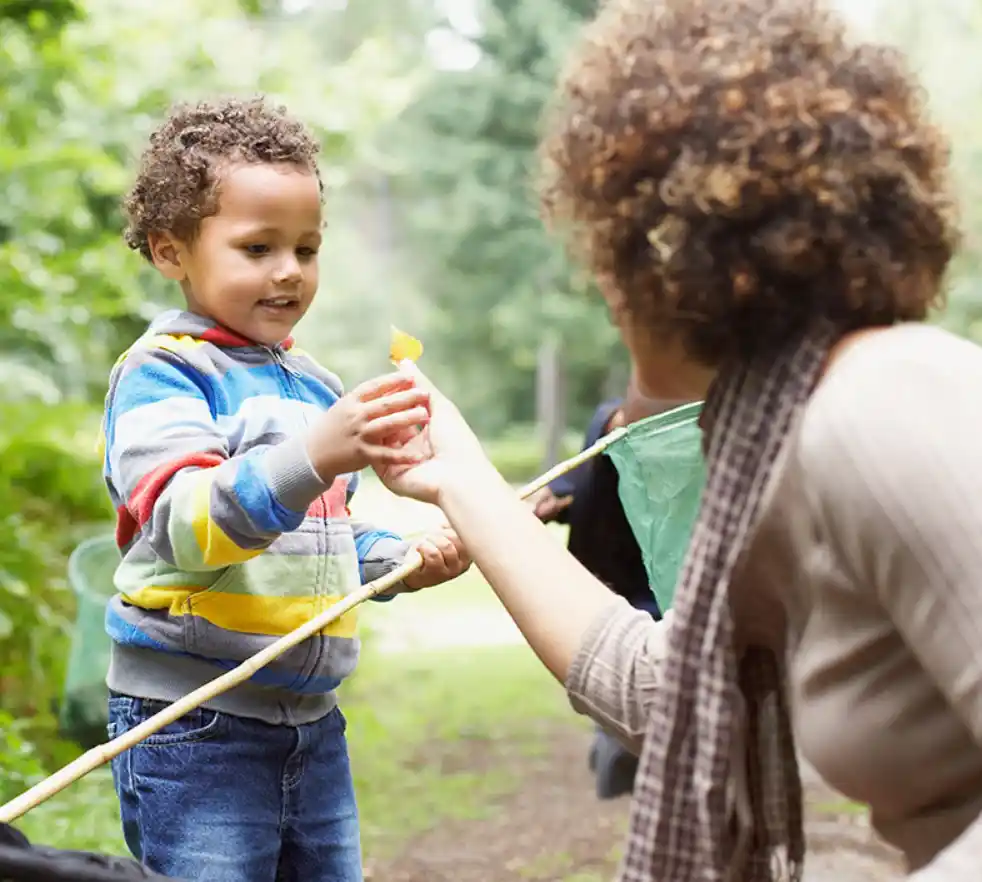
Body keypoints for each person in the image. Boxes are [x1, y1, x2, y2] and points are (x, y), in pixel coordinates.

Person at [375, 0, 982, 879]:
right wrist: (459, 478)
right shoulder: (779, 455)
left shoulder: (884, 402)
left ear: (665, 259)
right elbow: (667, 689)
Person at [100, 96, 470, 882]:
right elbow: (189, 530)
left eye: (306, 248)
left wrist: (397, 557)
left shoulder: (314, 384)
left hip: (310, 725)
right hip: (193, 723)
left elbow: (319, 546)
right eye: (257, 246)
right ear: (172, 252)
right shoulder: (164, 374)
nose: (289, 271)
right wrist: (314, 455)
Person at [529, 368, 672, 798]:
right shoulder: (608, 424)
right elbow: (579, 487)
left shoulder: (688, 441)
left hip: (658, 587)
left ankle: (621, 748)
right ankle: (616, 746)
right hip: (613, 585)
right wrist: (556, 498)